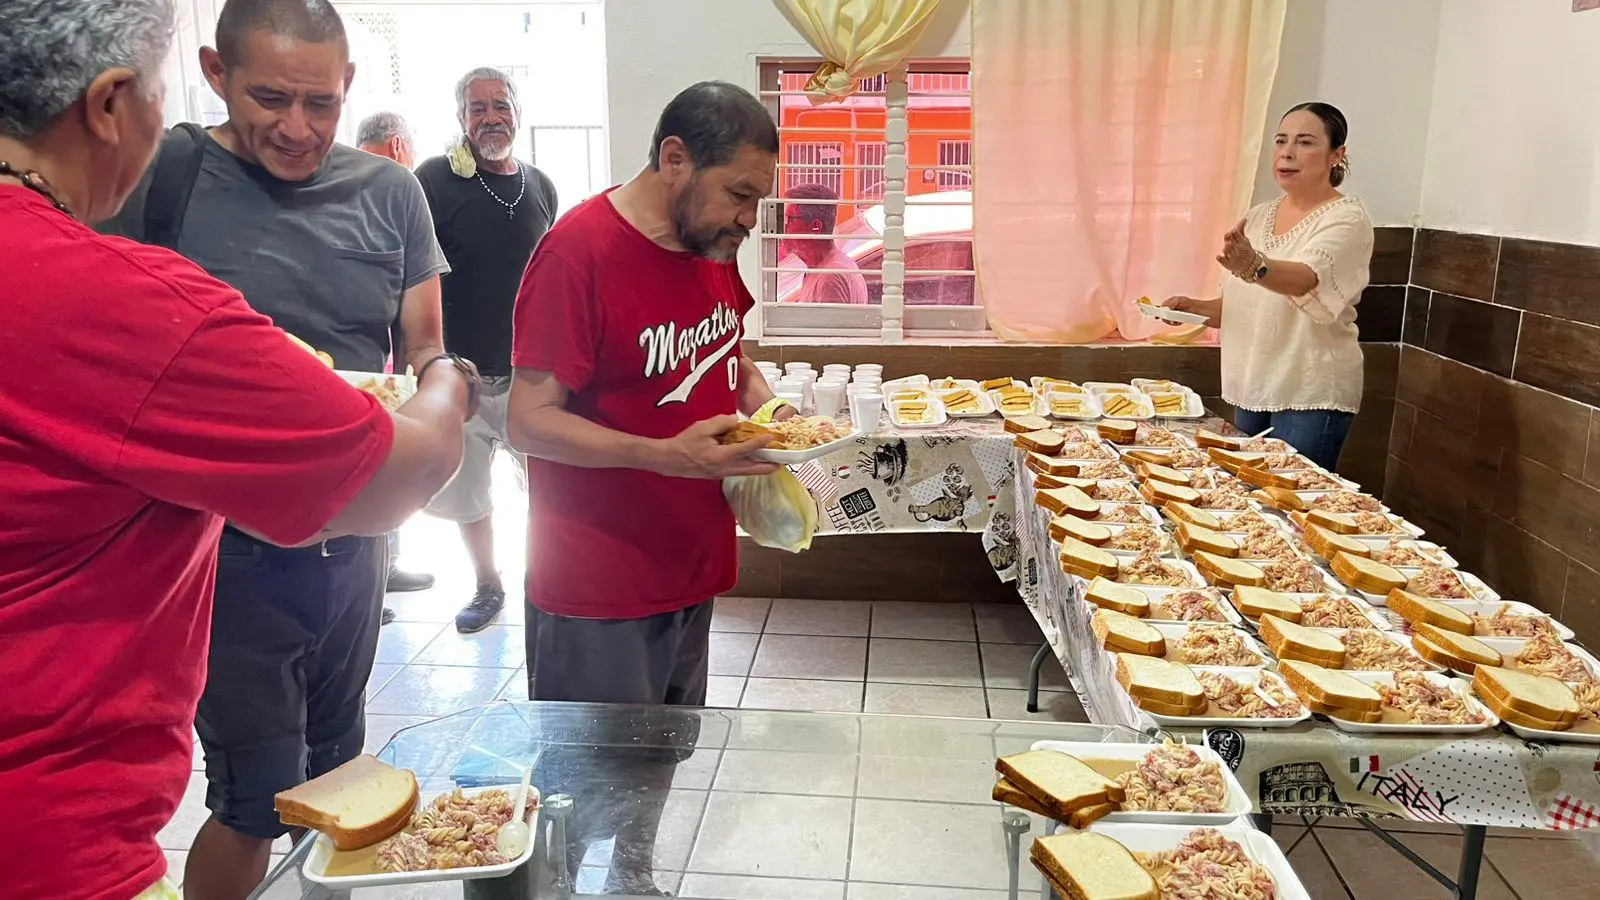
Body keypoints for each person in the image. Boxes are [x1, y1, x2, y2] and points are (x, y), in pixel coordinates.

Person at [0, 2, 477, 899]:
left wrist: (429, 366)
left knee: (341, 773)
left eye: (322, 104)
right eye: (270, 97)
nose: (298, 128)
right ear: (122, 102)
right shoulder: (135, 234)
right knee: (257, 795)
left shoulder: (386, 192)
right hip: (220, 570)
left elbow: (417, 341)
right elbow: (397, 472)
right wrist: (452, 390)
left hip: (343, 545)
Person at [506, 80, 788, 892]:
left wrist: (779, 415)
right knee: (586, 778)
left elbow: (728, 358)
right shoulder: (577, 254)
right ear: (673, 159)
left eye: (757, 200)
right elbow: (528, 420)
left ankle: (635, 878)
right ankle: (558, 889)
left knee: (664, 746)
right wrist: (667, 455)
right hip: (597, 579)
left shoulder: (709, 251)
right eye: (739, 193)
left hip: (687, 562)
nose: (748, 218)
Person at [415, 67, 559, 633]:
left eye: (500, 105)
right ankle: (487, 585)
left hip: (531, 375)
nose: (491, 117)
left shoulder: (540, 185)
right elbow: (415, 271)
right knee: (470, 495)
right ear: (460, 121)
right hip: (464, 374)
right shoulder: (432, 180)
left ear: (517, 114)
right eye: (478, 109)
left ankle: (545, 582)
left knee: (549, 489)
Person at [1163, 101, 1374, 470]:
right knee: (1251, 505)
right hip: (1255, 387)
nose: (1288, 153)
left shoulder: (1347, 218)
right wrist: (1193, 309)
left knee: (1292, 508)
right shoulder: (1259, 215)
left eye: (1305, 142)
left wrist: (1254, 265)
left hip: (1309, 393)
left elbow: (1308, 278)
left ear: (1336, 155)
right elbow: (1245, 306)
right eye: (1281, 141)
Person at [352, 110, 437, 607]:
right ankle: (372, 579)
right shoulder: (391, 183)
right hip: (372, 367)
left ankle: (384, 568)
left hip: (385, 361)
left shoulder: (398, 192)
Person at [781, 181, 870, 303]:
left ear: (816, 226)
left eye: (789, 219)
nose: (784, 227)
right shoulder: (819, 269)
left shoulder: (831, 278)